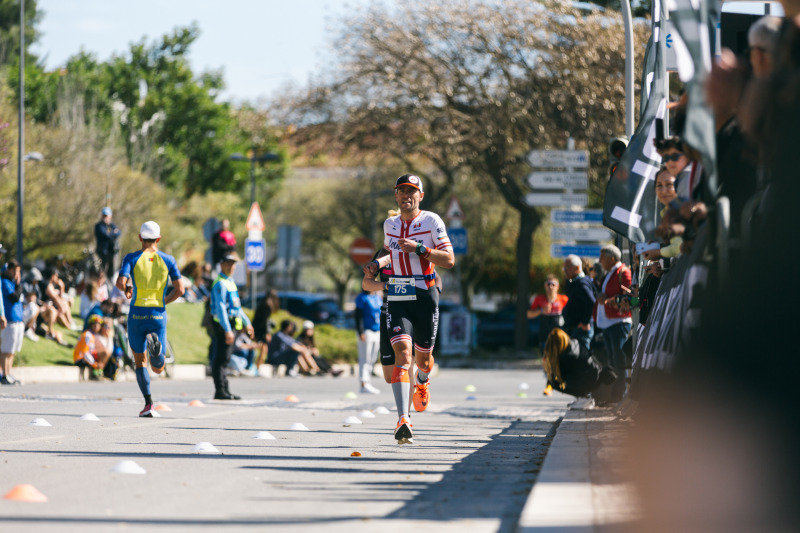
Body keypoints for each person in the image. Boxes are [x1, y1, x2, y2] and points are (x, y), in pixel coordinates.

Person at [365, 173, 455, 444]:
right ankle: (403, 419)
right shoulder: (390, 224)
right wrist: (376, 265)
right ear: (396, 195)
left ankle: (423, 380)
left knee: (423, 359)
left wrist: (419, 249)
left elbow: (449, 259)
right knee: (403, 356)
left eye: (412, 191)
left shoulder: (431, 221)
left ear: (421, 196)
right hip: (398, 294)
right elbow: (388, 252)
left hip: (425, 293)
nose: (407, 195)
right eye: (402, 191)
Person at [116, 221, 185, 417]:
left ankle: (148, 404)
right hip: (157, 314)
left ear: (140, 238)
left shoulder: (131, 258)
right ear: (158, 239)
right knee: (158, 368)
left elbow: (120, 282)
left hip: (137, 313)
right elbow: (180, 289)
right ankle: (156, 352)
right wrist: (164, 301)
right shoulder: (168, 259)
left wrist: (128, 287)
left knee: (139, 362)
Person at [209, 252, 253, 399]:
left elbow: (237, 307)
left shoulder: (230, 282)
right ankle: (220, 390)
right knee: (222, 358)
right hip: (223, 324)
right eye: (227, 263)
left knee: (226, 358)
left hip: (232, 323)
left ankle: (225, 390)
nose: (231, 266)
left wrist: (247, 323)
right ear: (221, 264)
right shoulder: (220, 283)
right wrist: (227, 330)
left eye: (233, 263)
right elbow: (221, 308)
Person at [594, 244, 632, 404]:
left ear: (611, 258)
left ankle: (619, 396)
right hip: (609, 323)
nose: (599, 261)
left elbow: (628, 295)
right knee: (612, 361)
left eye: (602, 258)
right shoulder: (609, 273)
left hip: (619, 322)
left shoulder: (623, 272)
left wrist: (608, 301)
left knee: (619, 361)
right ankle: (614, 396)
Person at [561, 255, 596, 354]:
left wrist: (585, 322)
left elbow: (591, 301)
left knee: (581, 358)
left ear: (577, 268)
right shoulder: (578, 282)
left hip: (581, 329)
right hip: (575, 328)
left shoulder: (582, 283)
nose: (564, 270)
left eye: (567, 267)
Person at [527, 274, 569, 351]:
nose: (550, 287)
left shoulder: (563, 299)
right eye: (548, 284)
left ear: (557, 286)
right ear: (545, 286)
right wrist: (541, 310)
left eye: (553, 284)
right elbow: (529, 314)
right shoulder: (539, 299)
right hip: (544, 336)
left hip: (559, 335)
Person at [354, 288, 383, 394]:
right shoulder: (362, 298)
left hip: (377, 330)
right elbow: (358, 316)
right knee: (364, 358)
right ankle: (363, 383)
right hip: (366, 331)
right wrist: (360, 331)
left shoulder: (377, 297)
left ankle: (368, 381)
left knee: (373, 357)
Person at [1, 260, 24, 385]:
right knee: (6, 350)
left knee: (13, 350)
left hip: (17, 320)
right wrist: (19, 284)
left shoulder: (12, 283)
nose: (16, 273)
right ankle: (4, 374)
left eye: (18, 271)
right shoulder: (5, 283)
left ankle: (8, 372)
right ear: (9, 270)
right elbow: (14, 297)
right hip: (9, 320)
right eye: (14, 270)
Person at [73, 314, 112, 380]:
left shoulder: (93, 335)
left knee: (105, 353)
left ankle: (98, 373)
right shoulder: (87, 335)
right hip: (80, 358)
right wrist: (95, 364)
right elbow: (85, 353)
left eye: (98, 325)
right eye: (94, 324)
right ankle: (95, 373)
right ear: (91, 325)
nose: (96, 326)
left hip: (87, 357)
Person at [251, 290, 279, 376]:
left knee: (262, 349)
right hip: (261, 331)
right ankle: (257, 368)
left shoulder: (262, 304)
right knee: (263, 350)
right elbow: (265, 321)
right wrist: (267, 332)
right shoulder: (267, 306)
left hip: (258, 328)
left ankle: (257, 367)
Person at [94, 207, 121, 280]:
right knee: (102, 271)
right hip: (102, 252)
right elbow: (105, 235)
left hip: (111, 252)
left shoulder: (112, 225)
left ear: (110, 216)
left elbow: (118, 233)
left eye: (106, 216)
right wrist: (112, 233)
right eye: (104, 215)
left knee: (111, 271)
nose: (105, 217)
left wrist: (110, 233)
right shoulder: (98, 226)